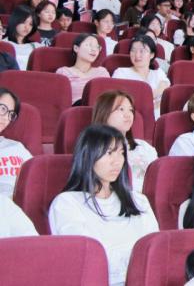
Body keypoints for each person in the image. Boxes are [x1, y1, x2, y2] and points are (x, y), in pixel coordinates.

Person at [48, 125, 158, 286]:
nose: (117, 161)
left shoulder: (138, 200)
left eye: (121, 153)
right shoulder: (66, 203)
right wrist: (133, 259)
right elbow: (86, 258)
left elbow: (154, 252)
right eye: (109, 153)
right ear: (88, 155)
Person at [91, 91, 157, 193]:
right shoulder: (93, 148)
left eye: (131, 110)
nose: (128, 115)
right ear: (104, 112)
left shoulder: (144, 147)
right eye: (121, 109)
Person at [112, 35, 169, 112]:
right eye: (133, 50)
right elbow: (118, 100)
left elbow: (165, 91)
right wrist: (151, 100)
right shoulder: (121, 73)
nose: (137, 55)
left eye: (142, 51)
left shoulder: (158, 72)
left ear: (152, 55)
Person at [56, 33, 110, 104]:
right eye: (89, 45)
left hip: (98, 108)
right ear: (76, 48)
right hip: (75, 108)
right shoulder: (63, 72)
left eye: (97, 47)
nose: (94, 49)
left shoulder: (102, 72)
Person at [0, 88, 32, 197]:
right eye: (2, 109)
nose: (6, 118)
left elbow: (37, 177)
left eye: (11, 114)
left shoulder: (17, 147)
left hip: (22, 201)